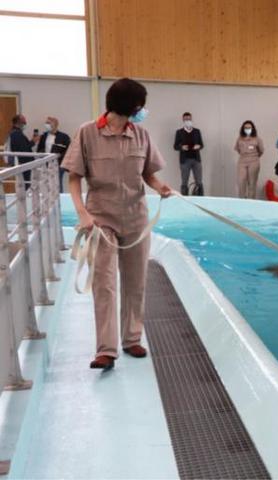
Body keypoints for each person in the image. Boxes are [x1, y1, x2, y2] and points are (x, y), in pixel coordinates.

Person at [62, 78, 172, 370]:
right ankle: (106, 350)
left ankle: (132, 338)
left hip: (136, 219)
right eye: (140, 105)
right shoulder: (87, 133)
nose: (142, 111)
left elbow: (148, 173)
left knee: (136, 281)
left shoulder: (141, 135)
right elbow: (73, 177)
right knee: (104, 283)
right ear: (130, 106)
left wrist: (160, 187)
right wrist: (82, 212)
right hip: (101, 219)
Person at [173, 112, 204, 195]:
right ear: (183, 120)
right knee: (184, 182)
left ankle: (201, 199)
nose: (188, 121)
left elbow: (202, 145)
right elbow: (175, 146)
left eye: (189, 119)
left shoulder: (197, 131)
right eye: (186, 119)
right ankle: (184, 200)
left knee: (199, 182)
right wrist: (182, 147)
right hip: (185, 160)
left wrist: (199, 146)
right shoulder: (179, 132)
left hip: (196, 159)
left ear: (191, 119)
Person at [37, 117, 71, 192]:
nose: (46, 125)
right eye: (46, 123)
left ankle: (59, 200)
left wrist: (60, 156)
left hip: (58, 164)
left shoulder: (64, 137)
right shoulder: (44, 136)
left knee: (57, 183)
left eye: (48, 123)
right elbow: (39, 149)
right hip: (45, 164)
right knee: (46, 183)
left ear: (55, 124)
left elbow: (69, 151)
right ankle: (47, 201)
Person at [234, 120, 264, 199]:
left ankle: (251, 202)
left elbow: (261, 151)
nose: (247, 129)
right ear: (243, 129)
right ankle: (242, 200)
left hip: (254, 161)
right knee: (241, 182)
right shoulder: (239, 139)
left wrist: (254, 157)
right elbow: (237, 149)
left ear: (252, 128)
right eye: (246, 128)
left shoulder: (257, 139)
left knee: (252, 183)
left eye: (249, 127)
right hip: (242, 161)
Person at [8, 114, 40, 186]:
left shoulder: (15, 133)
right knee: (26, 184)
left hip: (22, 163)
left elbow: (24, 146)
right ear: (19, 123)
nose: (25, 124)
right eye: (24, 122)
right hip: (23, 164)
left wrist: (33, 141)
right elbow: (24, 150)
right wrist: (33, 142)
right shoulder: (16, 134)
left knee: (25, 184)